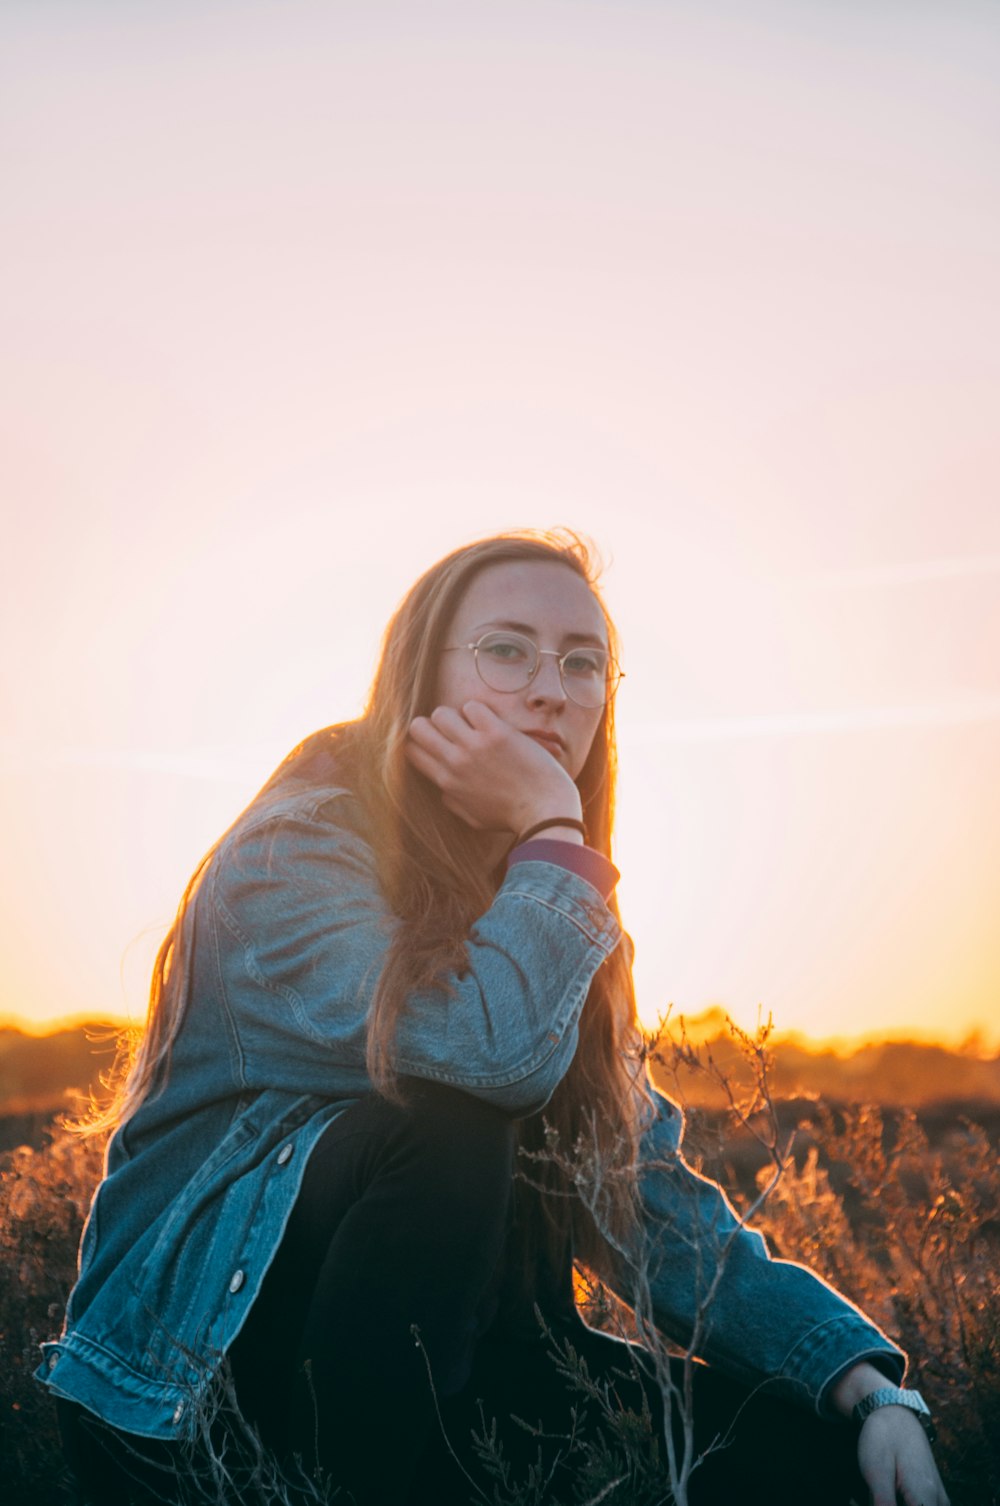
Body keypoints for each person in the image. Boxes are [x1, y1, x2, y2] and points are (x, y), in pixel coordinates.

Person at [40, 531, 949, 1506]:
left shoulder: (552, 903)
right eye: (507, 650)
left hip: (464, 1374)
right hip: (197, 1398)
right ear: (416, 677)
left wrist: (863, 1387)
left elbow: (640, 1194)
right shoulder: (290, 860)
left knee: (816, 1461)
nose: (552, 690)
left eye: (582, 661)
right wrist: (556, 831)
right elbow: (482, 1059)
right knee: (445, 1127)